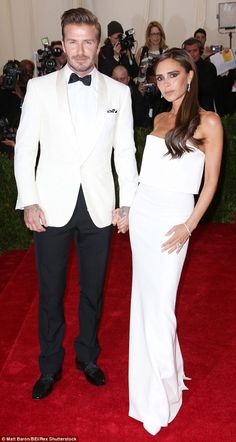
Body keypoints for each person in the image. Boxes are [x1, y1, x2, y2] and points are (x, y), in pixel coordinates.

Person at [14, 7, 138, 400]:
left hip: (99, 205)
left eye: (88, 42)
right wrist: (29, 200)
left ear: (98, 44)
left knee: (93, 289)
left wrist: (127, 203)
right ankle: (49, 364)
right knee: (49, 290)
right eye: (73, 41)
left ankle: (88, 355)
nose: (81, 50)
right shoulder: (38, 88)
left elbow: (125, 153)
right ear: (62, 43)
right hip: (50, 204)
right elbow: (25, 150)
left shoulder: (119, 92)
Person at [118, 48, 223, 435]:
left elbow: (210, 184)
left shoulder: (209, 122)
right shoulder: (159, 117)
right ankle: (154, 386)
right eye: (159, 78)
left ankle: (164, 395)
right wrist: (129, 210)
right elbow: (147, 174)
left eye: (172, 75)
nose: (165, 84)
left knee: (160, 305)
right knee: (143, 303)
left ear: (189, 75)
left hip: (174, 219)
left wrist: (189, 226)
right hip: (145, 214)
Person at [182, 37, 217, 111]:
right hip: (186, 110)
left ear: (200, 51)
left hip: (205, 109)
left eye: (195, 51)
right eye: (189, 51)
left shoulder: (209, 67)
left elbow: (209, 89)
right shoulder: (182, 68)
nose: (192, 54)